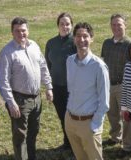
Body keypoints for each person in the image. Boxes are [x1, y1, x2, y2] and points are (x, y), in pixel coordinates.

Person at [0, 17, 53, 160]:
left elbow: (43, 66)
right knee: (20, 135)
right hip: (19, 101)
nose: (21, 33)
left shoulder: (34, 45)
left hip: (36, 98)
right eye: (17, 31)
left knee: (33, 132)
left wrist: (48, 87)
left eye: (23, 30)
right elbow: (3, 81)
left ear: (28, 30)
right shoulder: (7, 53)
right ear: (12, 32)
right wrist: (11, 102)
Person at [65, 22, 110, 160]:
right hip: (70, 121)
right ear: (74, 39)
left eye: (85, 36)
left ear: (91, 39)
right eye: (78, 36)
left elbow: (104, 102)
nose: (81, 39)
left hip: (89, 124)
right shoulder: (69, 61)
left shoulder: (99, 66)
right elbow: (71, 90)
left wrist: (94, 125)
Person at [101, 13, 131, 155]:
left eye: (119, 24)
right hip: (109, 84)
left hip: (124, 86)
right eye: (113, 25)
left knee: (126, 117)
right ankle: (115, 137)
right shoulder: (106, 43)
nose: (116, 27)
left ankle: (127, 146)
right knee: (112, 114)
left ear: (125, 25)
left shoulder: (130, 44)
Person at [45, 12, 76, 150]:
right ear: (58, 26)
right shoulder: (51, 43)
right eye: (62, 24)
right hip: (57, 86)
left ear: (72, 25)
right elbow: (47, 65)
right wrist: (49, 86)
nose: (65, 26)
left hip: (73, 88)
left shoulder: (76, 42)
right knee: (62, 115)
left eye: (67, 24)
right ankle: (68, 142)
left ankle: (76, 143)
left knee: (73, 117)